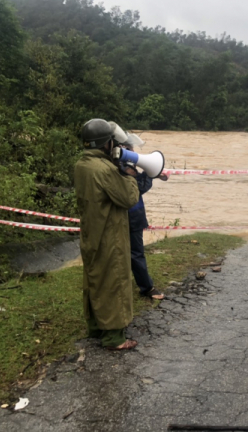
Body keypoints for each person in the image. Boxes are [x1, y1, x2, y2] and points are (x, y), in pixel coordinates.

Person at [74, 119, 140, 351]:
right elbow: (128, 198)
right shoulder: (105, 170)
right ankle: (114, 337)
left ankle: (96, 327)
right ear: (106, 144)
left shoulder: (82, 165)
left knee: (94, 278)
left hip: (92, 232)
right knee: (114, 280)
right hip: (110, 235)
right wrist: (130, 176)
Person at [118, 134, 167, 301]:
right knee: (136, 253)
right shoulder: (124, 167)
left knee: (122, 252)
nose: (133, 152)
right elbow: (138, 188)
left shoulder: (121, 164)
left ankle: (123, 283)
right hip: (131, 216)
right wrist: (149, 174)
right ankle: (147, 288)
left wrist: (153, 173)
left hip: (128, 216)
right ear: (124, 149)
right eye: (130, 149)